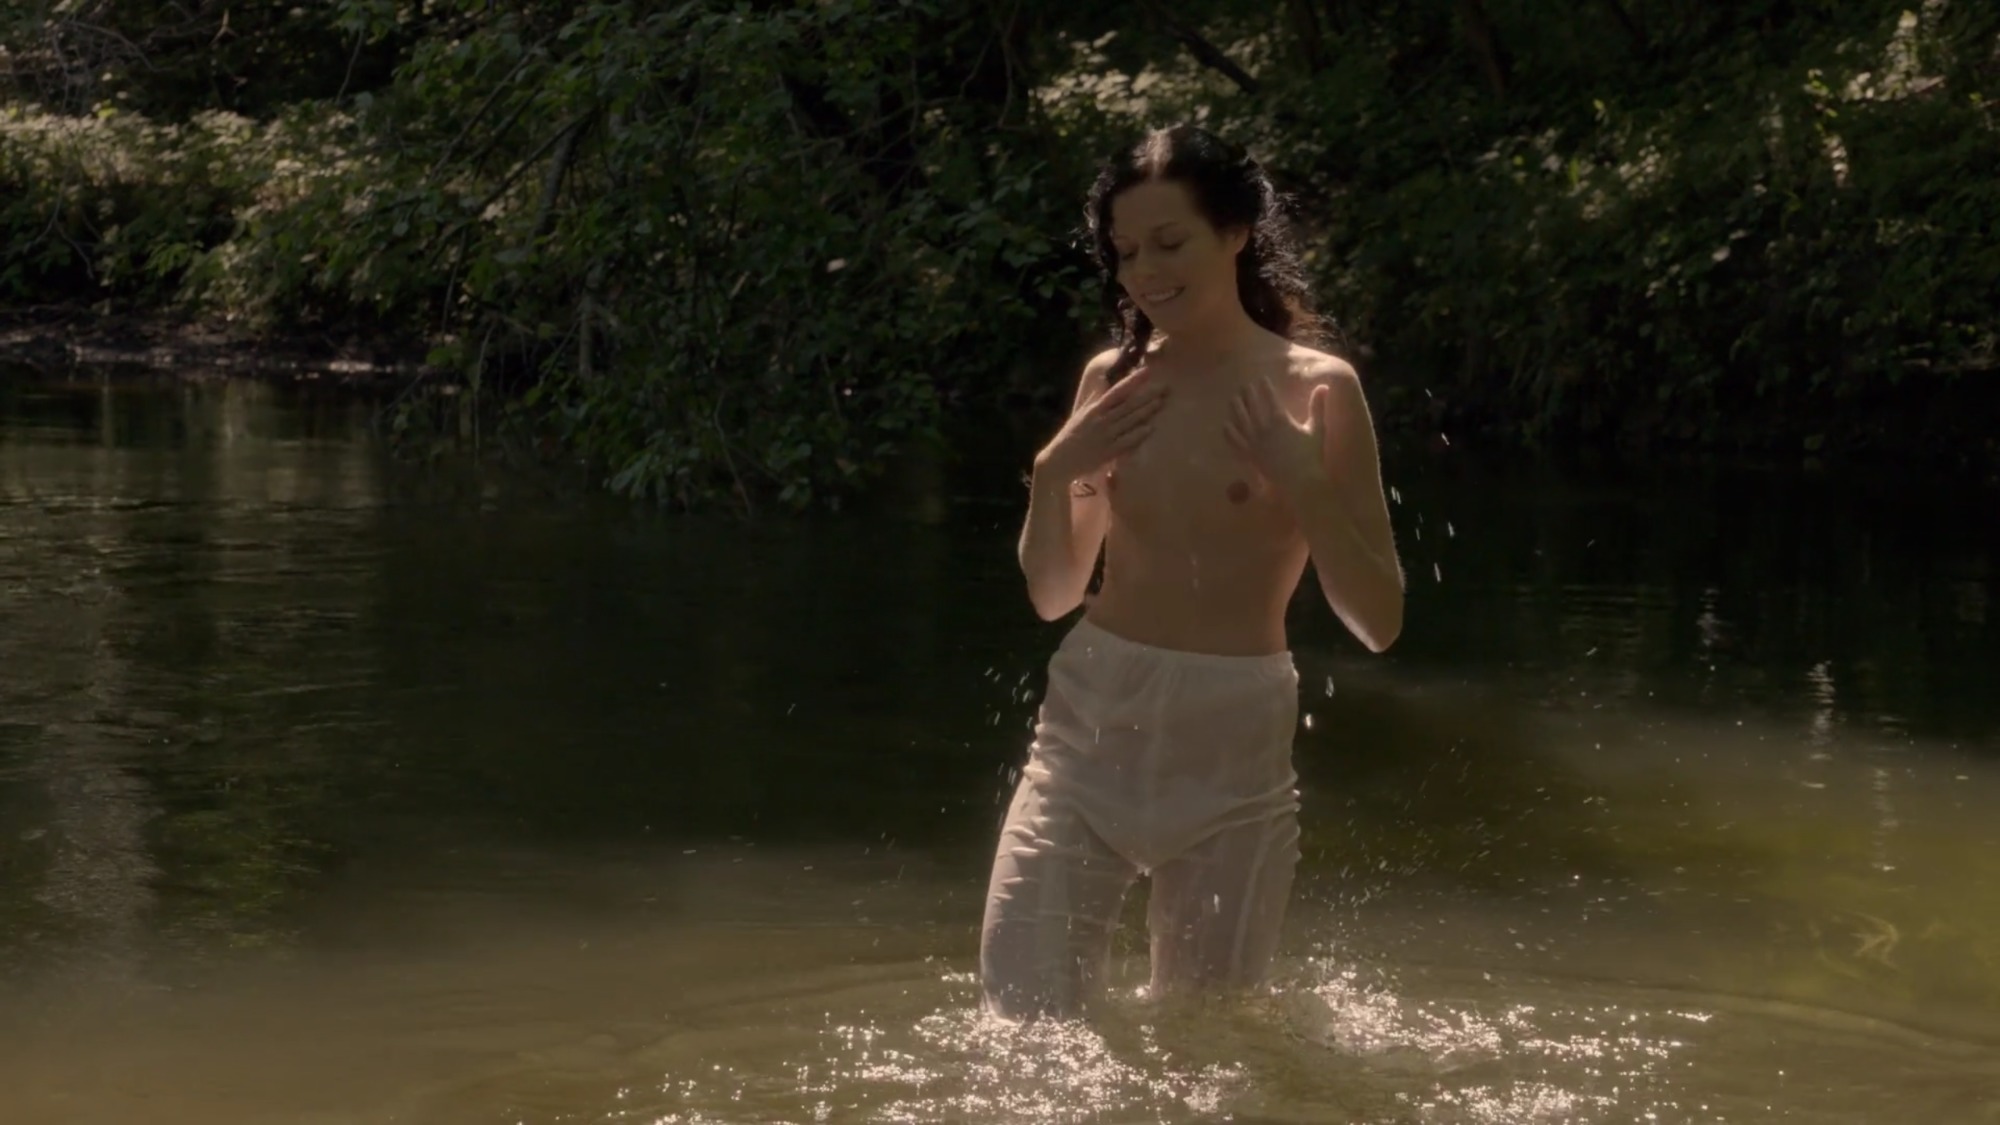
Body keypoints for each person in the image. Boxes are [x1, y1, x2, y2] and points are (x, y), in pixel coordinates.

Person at [978, 124, 1405, 1021]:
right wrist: (1055, 470)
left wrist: (1302, 482)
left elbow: (1378, 621)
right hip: (1089, 725)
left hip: (1235, 738)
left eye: (1169, 243)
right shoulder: (1113, 380)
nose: (1144, 271)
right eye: (1126, 251)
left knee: (1207, 1049)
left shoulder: (1316, 387)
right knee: (1021, 1027)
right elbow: (1053, 594)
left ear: (1236, 232)